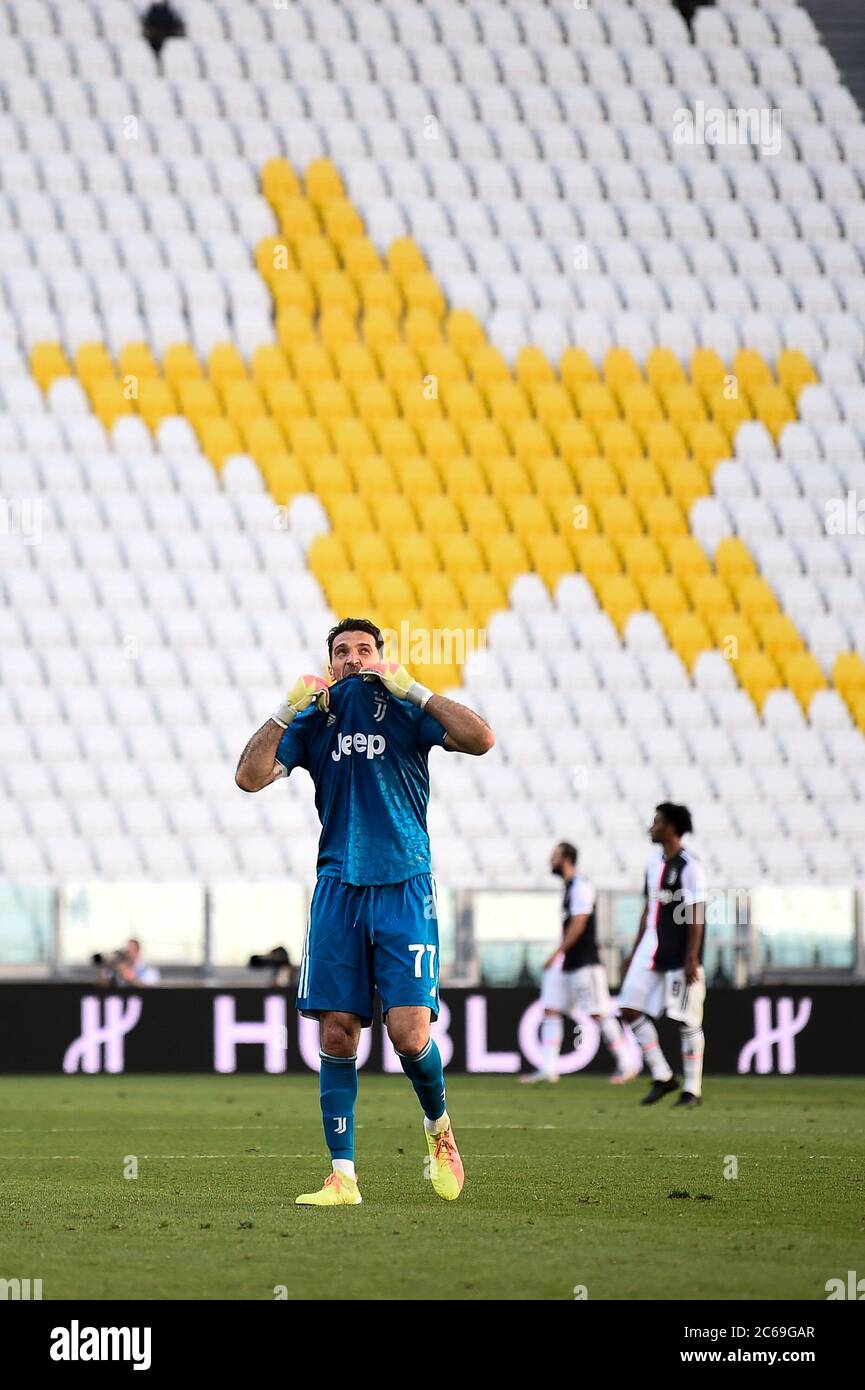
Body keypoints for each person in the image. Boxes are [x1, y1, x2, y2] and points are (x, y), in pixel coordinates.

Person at [235, 618, 494, 1206]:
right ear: (329, 663)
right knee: (337, 1030)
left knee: (408, 1033)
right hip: (338, 887)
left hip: (404, 884)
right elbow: (249, 779)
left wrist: (416, 689)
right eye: (342, 653)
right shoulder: (314, 719)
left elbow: (481, 740)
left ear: (381, 656)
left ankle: (439, 1132)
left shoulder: (405, 708)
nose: (354, 659)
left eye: (364, 650)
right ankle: (342, 1176)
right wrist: (284, 709)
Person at [520, 842, 637, 1084]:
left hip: (585, 962)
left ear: (566, 858)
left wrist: (557, 952)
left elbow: (580, 923)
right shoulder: (569, 888)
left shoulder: (581, 886)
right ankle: (548, 1068)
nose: (550, 860)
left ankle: (627, 1063)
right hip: (569, 962)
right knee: (550, 1008)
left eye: (554, 856)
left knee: (598, 1012)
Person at [618, 804, 707, 1108]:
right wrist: (633, 952)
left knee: (686, 1019)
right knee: (628, 1008)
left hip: (679, 952)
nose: (651, 827)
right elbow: (648, 909)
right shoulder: (653, 863)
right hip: (651, 948)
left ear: (670, 827)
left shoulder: (689, 867)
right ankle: (663, 1075)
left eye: (656, 822)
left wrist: (692, 956)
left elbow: (696, 913)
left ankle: (692, 1090)